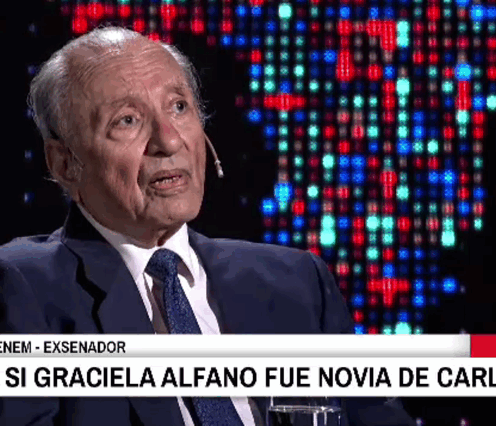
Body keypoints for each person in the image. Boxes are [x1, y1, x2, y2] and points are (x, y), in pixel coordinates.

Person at [0, 27, 415, 426]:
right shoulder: (24, 287)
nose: (169, 141)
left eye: (178, 107)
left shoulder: (298, 283)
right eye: (127, 120)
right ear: (65, 163)